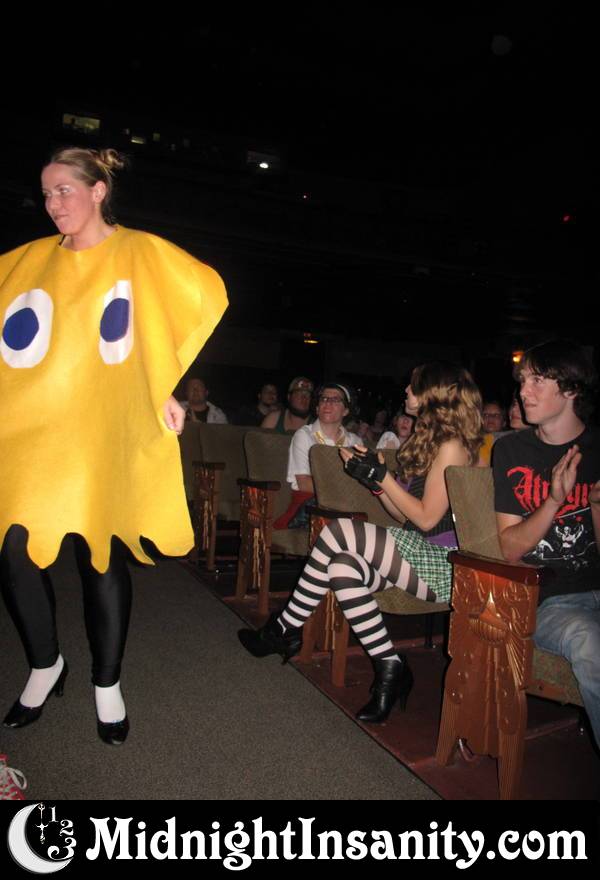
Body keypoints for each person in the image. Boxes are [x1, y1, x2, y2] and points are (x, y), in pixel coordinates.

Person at [0, 147, 228, 745]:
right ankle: (46, 663)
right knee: (13, 549)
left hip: (103, 427)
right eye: (46, 193)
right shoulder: (26, 264)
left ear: (98, 190)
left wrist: (165, 386)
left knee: (99, 552)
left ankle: (107, 681)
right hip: (36, 433)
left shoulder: (138, 253)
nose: (52, 204)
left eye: (63, 191)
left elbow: (175, 311)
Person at [239, 363, 483, 722]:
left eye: (413, 386)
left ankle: (284, 628)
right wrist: (375, 482)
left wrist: (383, 476)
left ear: (432, 394)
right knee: (341, 567)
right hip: (417, 552)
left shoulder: (452, 445)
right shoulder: (428, 441)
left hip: (445, 564)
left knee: (338, 532)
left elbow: (427, 519)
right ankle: (390, 667)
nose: (406, 391)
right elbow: (403, 515)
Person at [492, 339, 600, 750]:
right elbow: (509, 549)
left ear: (570, 388)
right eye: (522, 380)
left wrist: (595, 507)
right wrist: (553, 500)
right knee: (589, 641)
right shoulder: (511, 449)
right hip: (551, 600)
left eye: (537, 380)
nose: (523, 391)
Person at [272, 383, 361, 529]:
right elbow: (304, 484)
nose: (328, 403)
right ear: (317, 408)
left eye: (335, 400)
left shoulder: (354, 442)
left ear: (345, 410)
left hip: (345, 506)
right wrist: (343, 490)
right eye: (324, 399)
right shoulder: (304, 435)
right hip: (309, 506)